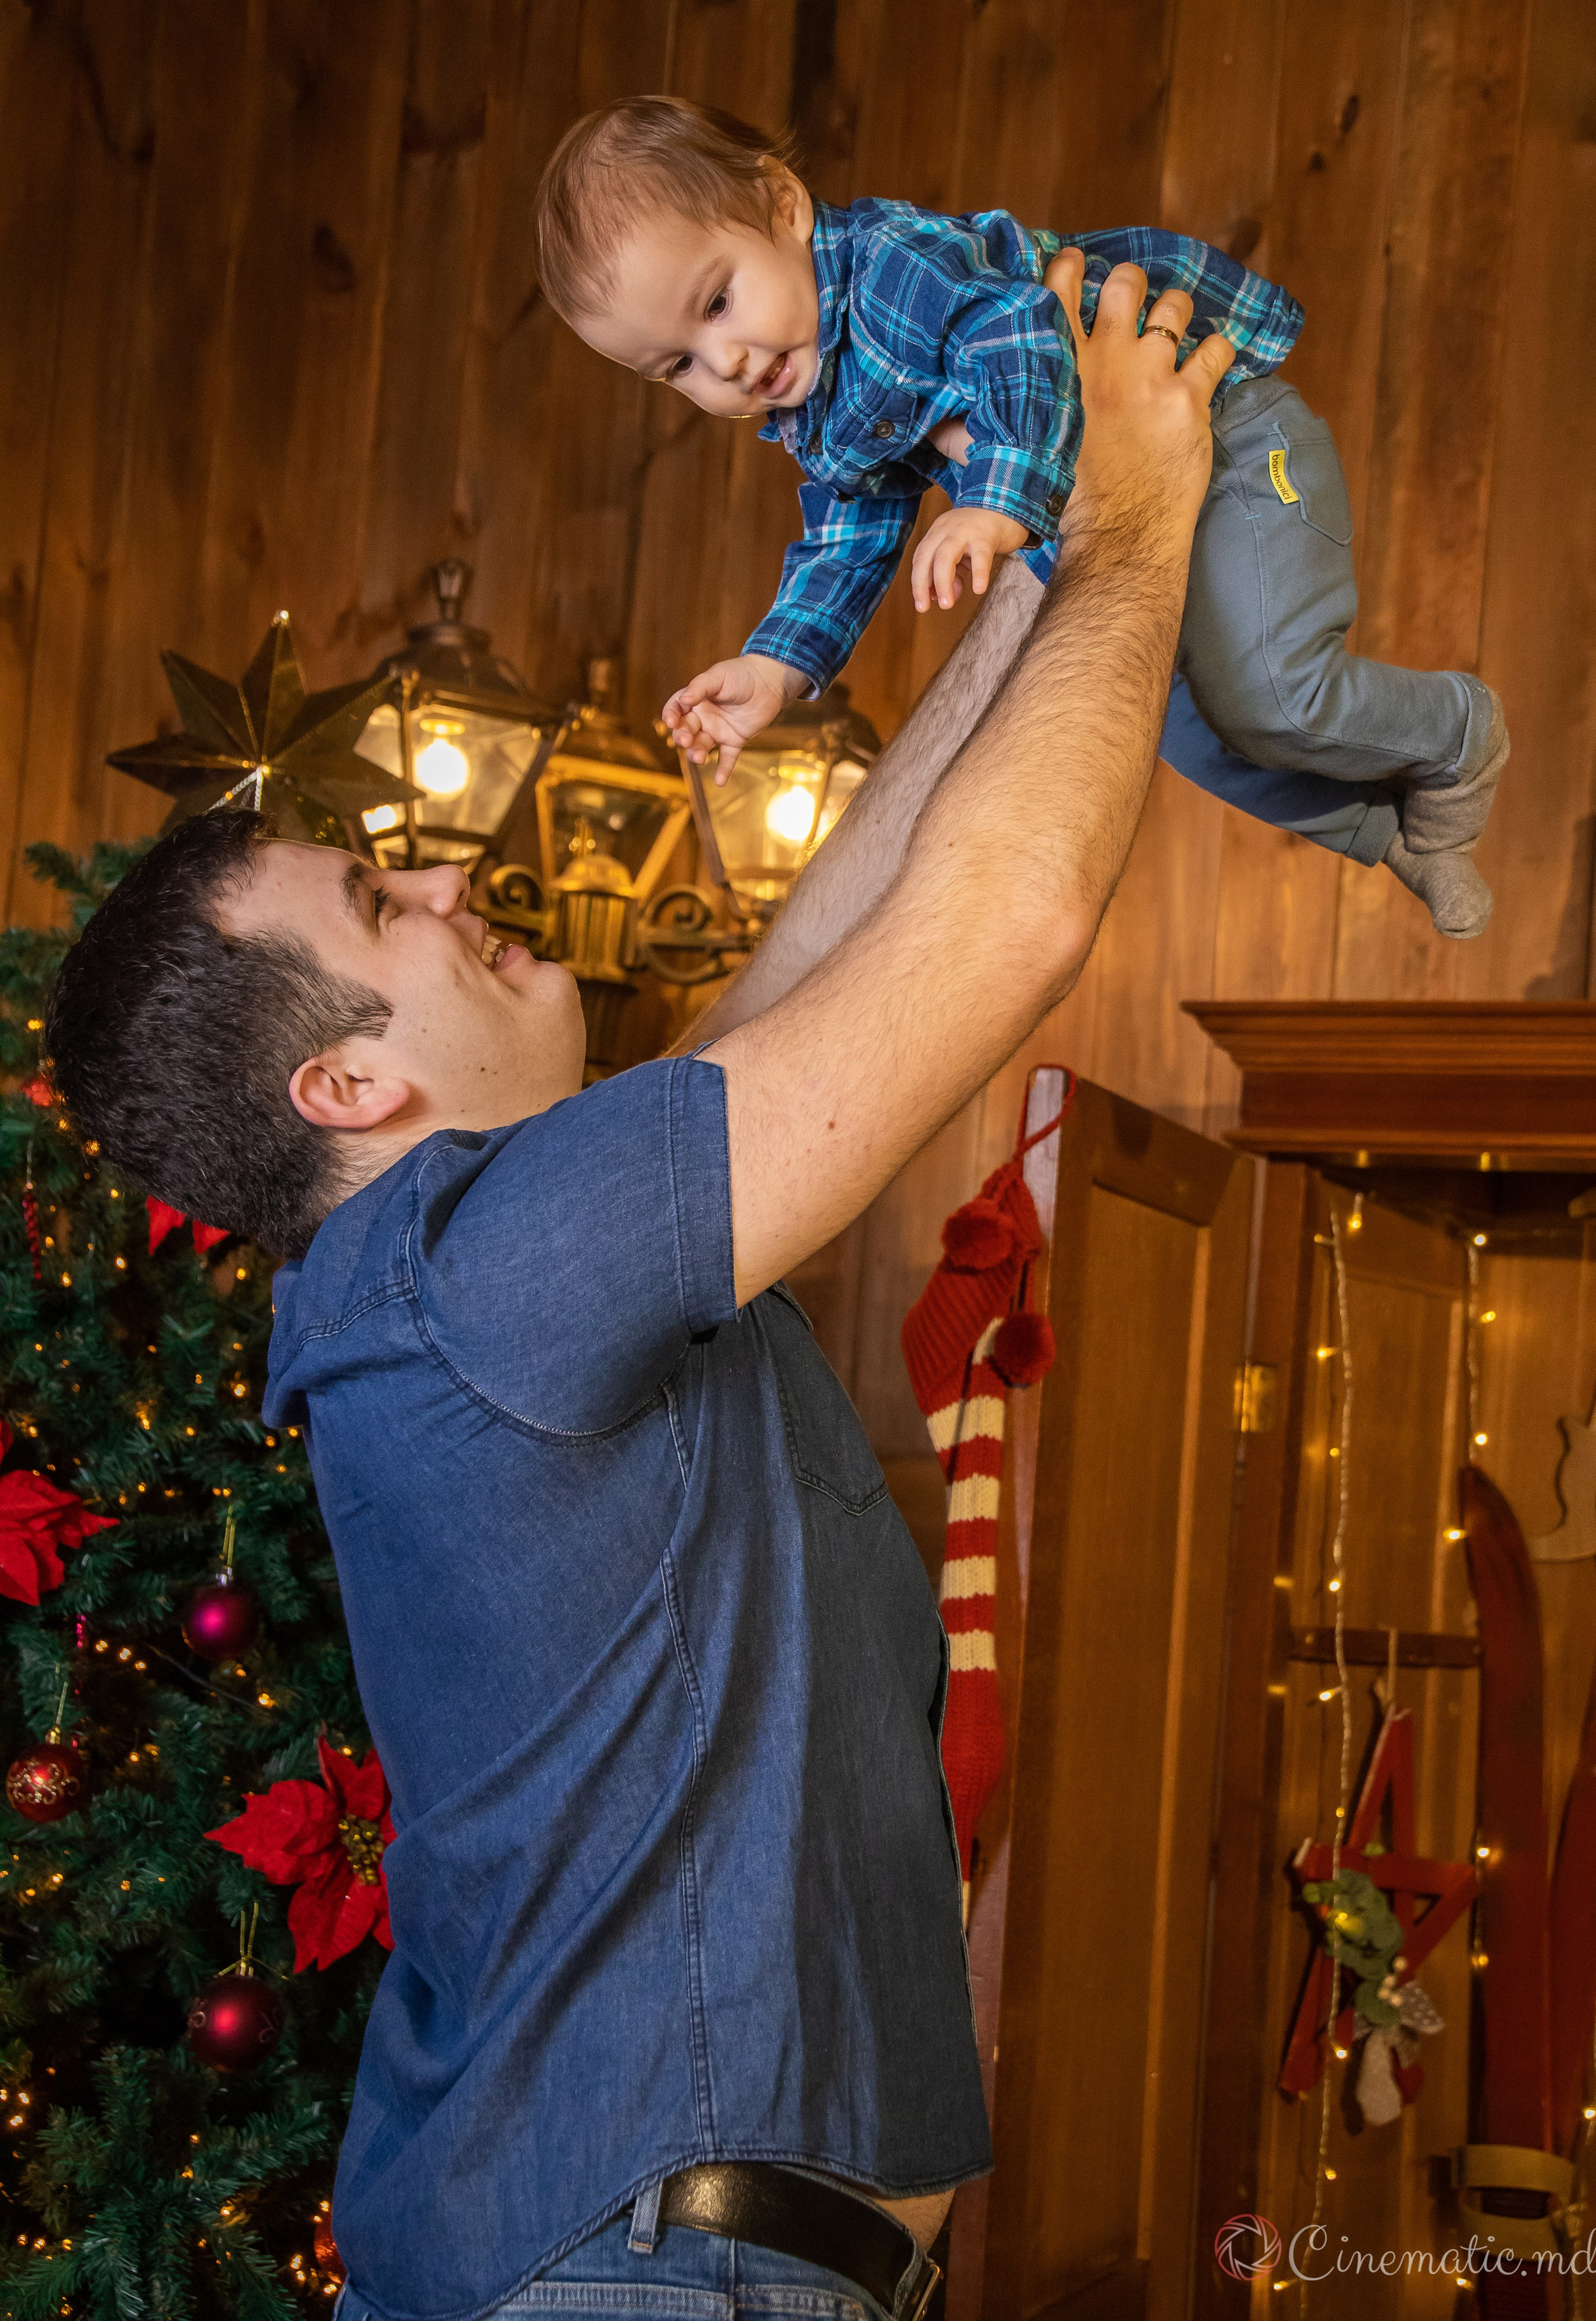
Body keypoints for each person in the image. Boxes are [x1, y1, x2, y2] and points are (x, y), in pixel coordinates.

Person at [46, 253, 1224, 2321]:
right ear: (348, 1082)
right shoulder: (481, 1264)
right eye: (374, 897)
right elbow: (1008, 919)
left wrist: (1031, 560)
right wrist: (1142, 511)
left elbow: (838, 958)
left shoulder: (480, 1257)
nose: (440, 870)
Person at [535, 96, 1509, 939]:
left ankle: (1458, 736)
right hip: (1129, 515)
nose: (729, 364)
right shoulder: (816, 402)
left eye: (715, 302)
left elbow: (1022, 334)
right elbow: (846, 539)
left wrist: (995, 504)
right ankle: (1395, 836)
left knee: (1274, 696)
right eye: (681, 368)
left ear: (781, 206)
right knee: (1181, 732)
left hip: (1232, 443)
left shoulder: (886, 272)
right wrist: (774, 667)